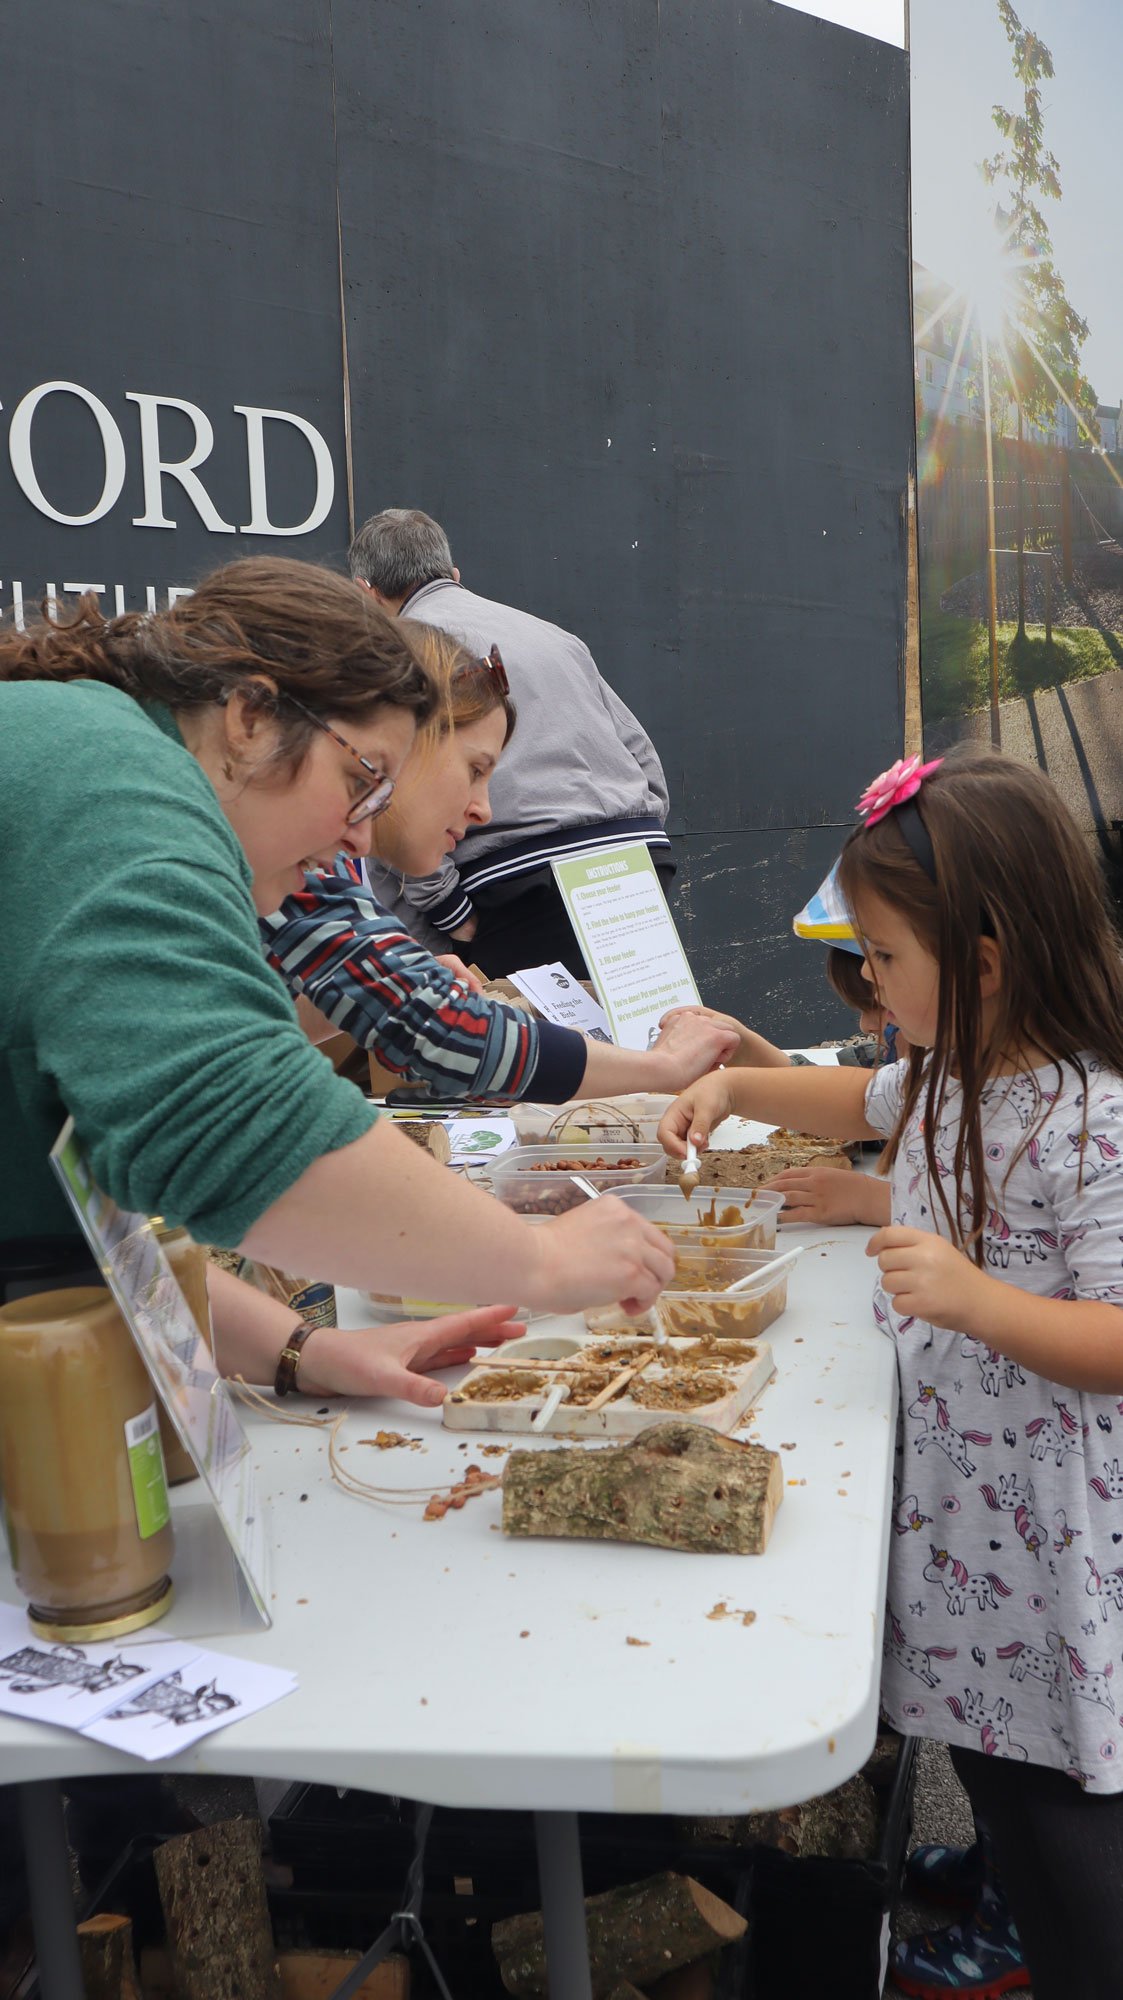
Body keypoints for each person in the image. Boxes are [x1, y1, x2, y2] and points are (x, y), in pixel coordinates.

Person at [660, 748, 1123, 2000]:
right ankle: (1010, 1897)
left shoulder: (1090, 1114)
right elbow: (843, 1094)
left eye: (882, 957)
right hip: (970, 1513)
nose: (866, 982)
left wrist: (979, 1299)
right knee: (989, 1756)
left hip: (1048, 1531)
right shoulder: (942, 1071)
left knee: (1068, 1794)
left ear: (979, 964)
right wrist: (725, 1086)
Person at [0, 559, 675, 1409]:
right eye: (363, 781)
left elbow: (98, 1229)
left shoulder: (105, 759)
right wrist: (536, 1260)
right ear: (248, 717)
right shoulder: (119, 787)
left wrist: (303, 1352)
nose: (361, 840)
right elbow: (226, 1125)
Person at [264, 624, 736, 1100]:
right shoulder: (254, 859)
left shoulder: (278, 861)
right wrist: (660, 1069)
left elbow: (271, 1016)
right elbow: (443, 1030)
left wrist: (387, 988)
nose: (483, 810)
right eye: (475, 770)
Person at [348, 507, 672, 977]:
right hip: (634, 855)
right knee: (651, 1031)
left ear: (366, 593)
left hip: (515, 880)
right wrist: (637, 842)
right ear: (454, 575)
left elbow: (398, 796)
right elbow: (640, 754)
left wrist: (448, 909)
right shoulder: (555, 636)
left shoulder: (404, 651)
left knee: (539, 1043)